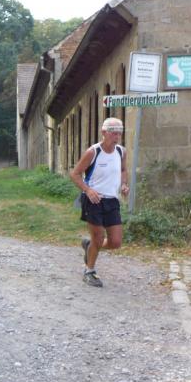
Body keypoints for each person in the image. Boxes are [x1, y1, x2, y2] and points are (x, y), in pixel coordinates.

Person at [69, 117, 129, 288]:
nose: (116, 136)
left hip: (112, 201)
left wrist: (124, 184)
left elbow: (123, 170)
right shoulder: (93, 152)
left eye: (119, 133)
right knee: (98, 237)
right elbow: (75, 174)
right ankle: (89, 271)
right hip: (93, 200)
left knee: (115, 242)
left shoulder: (121, 152)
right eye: (113, 133)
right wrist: (88, 190)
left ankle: (89, 245)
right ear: (104, 132)